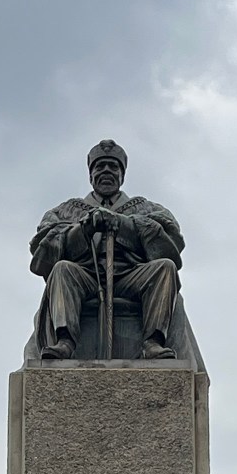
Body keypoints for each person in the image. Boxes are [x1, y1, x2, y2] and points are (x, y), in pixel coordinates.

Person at [29, 139, 184, 360]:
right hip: (86, 276)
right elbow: (42, 257)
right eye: (100, 166)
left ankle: (153, 343)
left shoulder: (145, 208)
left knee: (165, 268)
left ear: (122, 174)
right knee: (62, 269)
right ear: (91, 174)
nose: (106, 171)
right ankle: (65, 342)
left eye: (113, 166)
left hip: (130, 276)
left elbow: (170, 248)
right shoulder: (66, 211)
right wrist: (83, 230)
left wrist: (123, 224)